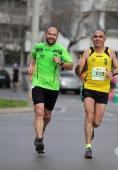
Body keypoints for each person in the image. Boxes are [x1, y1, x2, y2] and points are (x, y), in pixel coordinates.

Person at [75, 28, 118, 158]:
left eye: (100, 36)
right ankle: (88, 147)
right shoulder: (87, 52)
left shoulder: (110, 52)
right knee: (89, 115)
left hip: (103, 90)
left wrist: (112, 72)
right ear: (92, 39)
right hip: (89, 87)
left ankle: (93, 129)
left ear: (104, 39)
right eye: (95, 36)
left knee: (96, 122)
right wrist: (79, 65)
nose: (98, 38)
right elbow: (78, 72)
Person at [27, 26, 73, 154]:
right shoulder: (38, 47)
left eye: (54, 35)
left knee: (47, 115)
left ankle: (41, 130)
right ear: (46, 34)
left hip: (53, 86)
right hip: (38, 84)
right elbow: (33, 56)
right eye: (49, 34)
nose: (51, 36)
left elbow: (71, 66)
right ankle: (39, 140)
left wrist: (61, 62)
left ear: (57, 37)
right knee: (39, 111)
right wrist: (31, 65)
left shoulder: (61, 50)